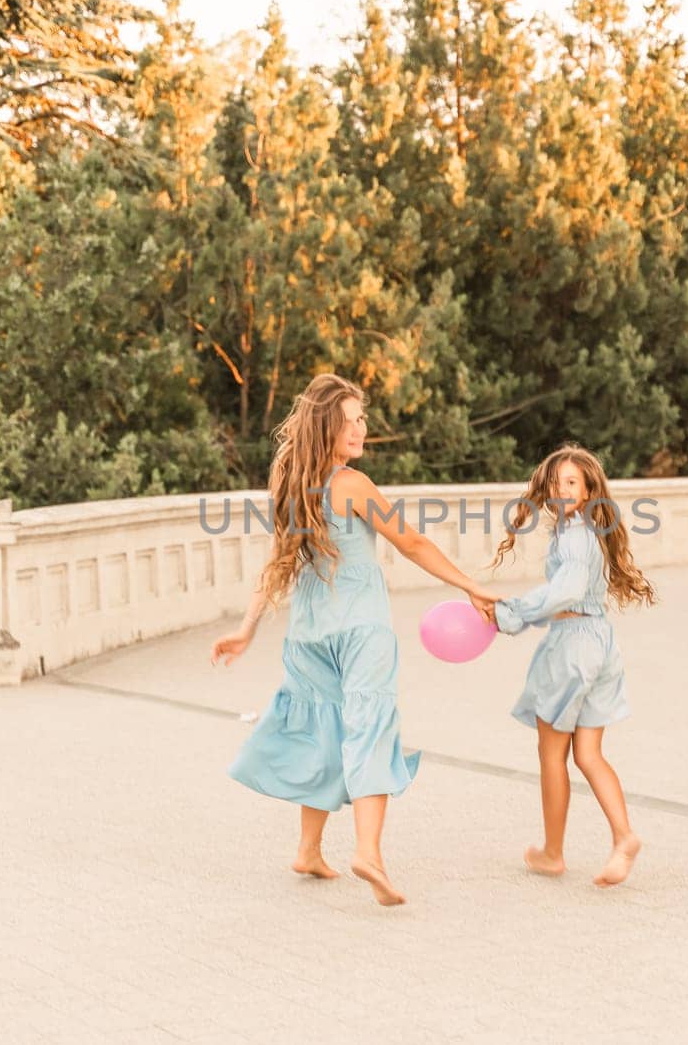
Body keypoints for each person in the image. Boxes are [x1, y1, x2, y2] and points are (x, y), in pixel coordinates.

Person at [210, 374, 498, 906]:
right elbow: (410, 542)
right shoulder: (353, 485)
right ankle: (369, 852)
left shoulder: (293, 486)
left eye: (363, 418)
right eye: (354, 420)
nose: (363, 427)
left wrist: (246, 629)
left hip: (310, 633)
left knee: (321, 733)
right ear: (330, 428)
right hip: (362, 628)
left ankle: (309, 850)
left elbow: (277, 565)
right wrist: (470, 585)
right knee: (370, 729)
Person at [490, 444, 657, 886]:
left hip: (573, 648)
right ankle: (623, 837)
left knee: (551, 754)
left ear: (586, 492)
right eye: (556, 482)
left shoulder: (575, 536)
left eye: (571, 483)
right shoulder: (585, 532)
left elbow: (565, 593)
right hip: (600, 642)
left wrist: (514, 612)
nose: (562, 490)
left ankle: (552, 853)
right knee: (587, 752)